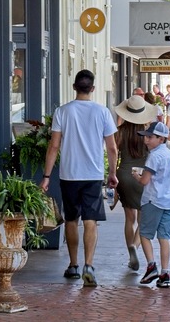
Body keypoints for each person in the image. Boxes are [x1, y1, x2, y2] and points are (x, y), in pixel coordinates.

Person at [40, 69, 118, 287]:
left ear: (75, 87)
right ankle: (89, 265)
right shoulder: (102, 112)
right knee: (90, 220)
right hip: (93, 174)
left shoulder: (63, 112)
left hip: (69, 174)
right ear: (92, 89)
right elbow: (112, 148)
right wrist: (112, 173)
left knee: (71, 219)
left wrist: (46, 176)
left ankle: (73, 265)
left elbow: (54, 145)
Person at [113, 95, 158, 272]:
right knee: (143, 218)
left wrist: (112, 175)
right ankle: (135, 247)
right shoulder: (148, 133)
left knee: (129, 218)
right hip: (142, 175)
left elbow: (114, 154)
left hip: (124, 174)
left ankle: (130, 252)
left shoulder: (119, 132)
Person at [134, 121, 170, 289]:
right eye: (146, 137)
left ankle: (151, 266)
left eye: (150, 137)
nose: (146, 140)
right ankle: (165, 272)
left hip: (153, 200)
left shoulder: (154, 156)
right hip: (169, 201)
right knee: (164, 237)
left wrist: (136, 176)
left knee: (145, 234)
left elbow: (145, 181)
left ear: (161, 138)